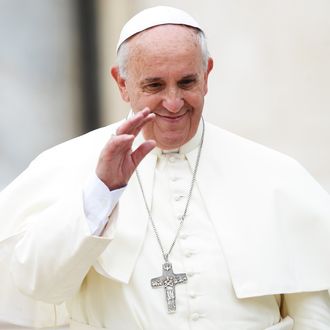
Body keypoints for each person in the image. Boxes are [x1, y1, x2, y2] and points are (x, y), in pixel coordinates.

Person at [0, 5, 330, 330]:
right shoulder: (67, 165)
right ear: (121, 83)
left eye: (187, 83)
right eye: (154, 86)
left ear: (207, 75)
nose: (173, 103)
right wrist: (100, 193)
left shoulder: (275, 176)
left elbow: (312, 310)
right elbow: (41, 286)